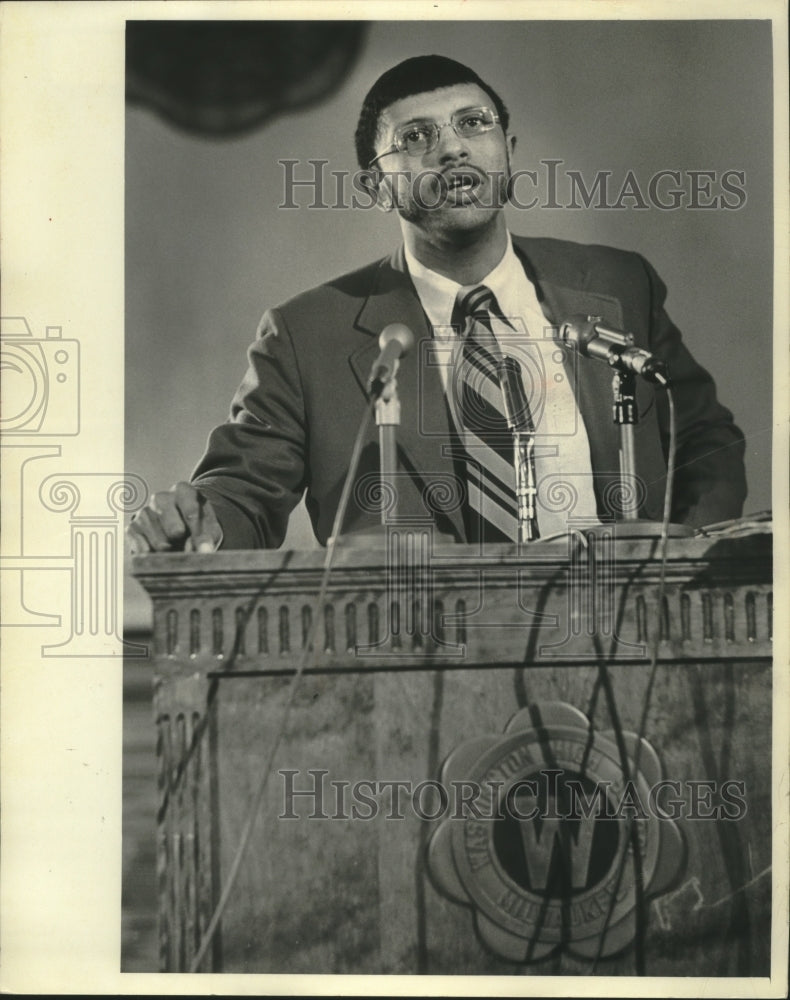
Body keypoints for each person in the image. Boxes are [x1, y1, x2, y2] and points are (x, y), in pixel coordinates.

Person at [127, 55, 747, 554]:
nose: (452, 148)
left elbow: (706, 439)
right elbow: (243, 491)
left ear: (508, 151)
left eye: (474, 124)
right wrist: (198, 524)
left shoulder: (617, 284)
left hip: (623, 651)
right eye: (417, 137)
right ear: (375, 184)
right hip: (416, 665)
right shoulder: (304, 334)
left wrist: (680, 565)